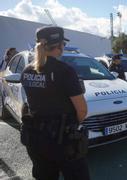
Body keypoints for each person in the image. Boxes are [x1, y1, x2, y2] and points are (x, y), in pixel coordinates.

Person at [20, 26, 90, 180]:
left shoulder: (26, 70)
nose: (63, 47)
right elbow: (82, 110)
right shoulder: (65, 71)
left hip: (35, 138)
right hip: (63, 142)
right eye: (63, 44)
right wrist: (68, 126)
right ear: (58, 46)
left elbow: (29, 102)